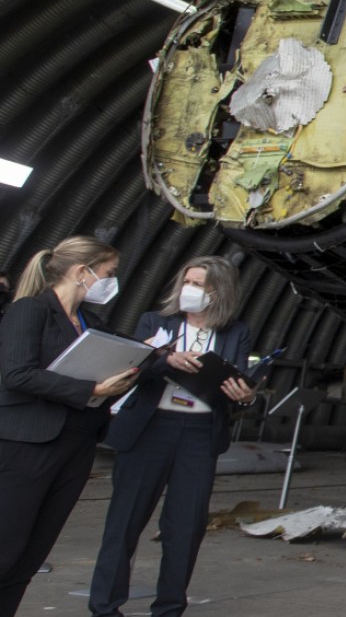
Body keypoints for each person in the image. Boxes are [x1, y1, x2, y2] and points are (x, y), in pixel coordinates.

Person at [89, 255, 255, 617]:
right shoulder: (155, 321)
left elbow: (238, 379)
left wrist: (246, 396)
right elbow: (132, 367)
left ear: (219, 292)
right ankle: (104, 607)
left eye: (199, 285)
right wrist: (166, 361)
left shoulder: (235, 332)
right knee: (125, 521)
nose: (190, 290)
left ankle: (169, 607)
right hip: (151, 428)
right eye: (188, 282)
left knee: (186, 525)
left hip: (198, 433)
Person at [0, 237, 139, 617]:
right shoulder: (29, 311)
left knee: (31, 553)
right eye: (108, 273)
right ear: (83, 272)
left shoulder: (90, 323)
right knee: (6, 546)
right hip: (27, 443)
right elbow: (16, 374)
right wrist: (91, 389)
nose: (112, 281)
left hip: (75, 445)